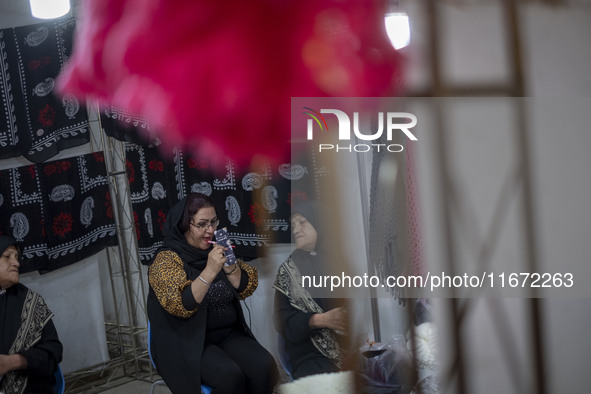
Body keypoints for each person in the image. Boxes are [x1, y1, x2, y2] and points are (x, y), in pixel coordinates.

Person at [147, 193, 278, 394]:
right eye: (202, 224)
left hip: (226, 334)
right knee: (230, 377)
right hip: (187, 341)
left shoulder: (216, 248)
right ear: (184, 225)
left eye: (213, 222)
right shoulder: (166, 260)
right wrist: (210, 270)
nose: (211, 230)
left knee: (264, 367)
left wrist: (230, 266)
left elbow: (245, 288)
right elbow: (183, 305)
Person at [273, 201, 348, 380]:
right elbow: (281, 323)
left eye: (302, 222)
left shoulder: (335, 263)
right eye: (293, 225)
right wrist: (318, 320)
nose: (296, 229)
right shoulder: (287, 271)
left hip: (342, 347)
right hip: (306, 353)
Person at [0, 236, 63, 394]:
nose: (16, 263)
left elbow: (53, 353)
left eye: (16, 257)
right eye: (7, 256)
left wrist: (16, 361)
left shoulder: (31, 302)